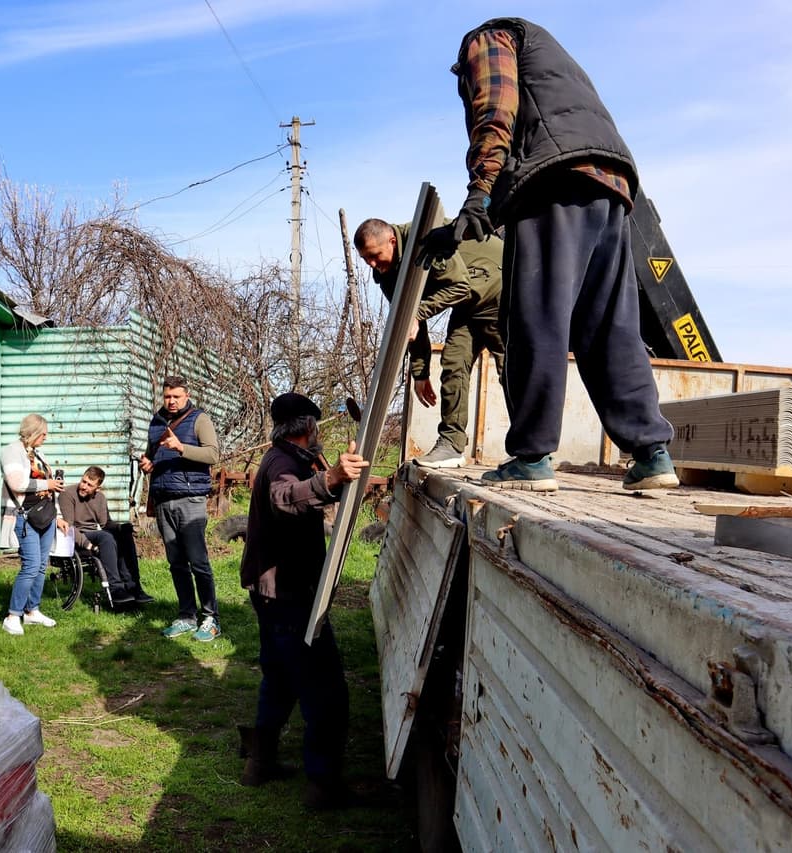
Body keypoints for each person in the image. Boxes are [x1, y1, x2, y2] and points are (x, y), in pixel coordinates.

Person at [422, 17, 679, 492]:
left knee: (535, 318)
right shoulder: (552, 54)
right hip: (611, 181)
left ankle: (532, 458)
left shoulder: (487, 39)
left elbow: (495, 111)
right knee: (609, 326)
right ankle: (651, 454)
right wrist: (480, 216)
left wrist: (479, 191)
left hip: (555, 181)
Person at [237, 392, 369, 810]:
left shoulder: (291, 458)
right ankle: (323, 786)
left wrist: (331, 473)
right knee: (326, 689)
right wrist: (330, 480)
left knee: (279, 678)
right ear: (308, 427)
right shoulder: (282, 465)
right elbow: (284, 498)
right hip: (287, 594)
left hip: (273, 590)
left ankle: (260, 764)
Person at [354, 217, 505, 468]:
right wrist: (420, 372)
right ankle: (451, 444)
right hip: (468, 301)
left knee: (511, 369)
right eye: (365, 259)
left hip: (498, 286)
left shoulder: (424, 239)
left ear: (392, 241)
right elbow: (410, 322)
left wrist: (417, 314)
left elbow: (458, 286)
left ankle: (530, 450)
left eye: (375, 255)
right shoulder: (387, 272)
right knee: (454, 360)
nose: (371, 264)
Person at [139, 376, 221, 641]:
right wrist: (148, 463)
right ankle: (187, 616)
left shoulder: (200, 419)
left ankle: (211, 618)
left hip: (191, 499)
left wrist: (181, 447)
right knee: (176, 563)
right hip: (164, 498)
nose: (171, 401)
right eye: (167, 396)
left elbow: (212, 455)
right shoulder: (156, 422)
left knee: (198, 561)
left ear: (186, 395)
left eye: (176, 396)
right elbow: (151, 454)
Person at [0, 413, 68, 635]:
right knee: (30, 565)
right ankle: (12, 615)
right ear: (33, 433)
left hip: (45, 515)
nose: (45, 439)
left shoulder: (37, 453)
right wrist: (46, 482)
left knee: (40, 565)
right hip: (24, 515)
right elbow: (17, 482)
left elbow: (50, 490)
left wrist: (57, 515)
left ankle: (32, 611)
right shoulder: (12, 451)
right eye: (44, 434)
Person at [57, 466, 154, 608]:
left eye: (89, 485)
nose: (84, 486)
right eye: (83, 481)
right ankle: (116, 588)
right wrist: (87, 544)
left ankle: (134, 586)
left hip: (95, 535)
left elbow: (105, 523)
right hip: (78, 538)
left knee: (124, 535)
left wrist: (121, 528)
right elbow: (69, 527)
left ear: (98, 488)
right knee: (106, 537)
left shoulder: (100, 498)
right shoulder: (68, 494)